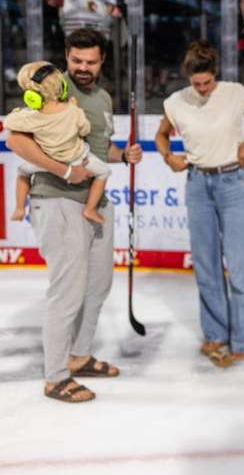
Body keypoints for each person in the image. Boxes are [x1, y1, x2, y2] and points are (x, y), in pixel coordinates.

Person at [5, 28, 143, 402]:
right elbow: (16, 140)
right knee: (66, 292)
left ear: (102, 61)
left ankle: (79, 356)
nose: (83, 67)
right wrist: (64, 171)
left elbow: (100, 148)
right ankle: (55, 377)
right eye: (77, 60)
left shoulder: (101, 97)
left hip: (95, 202)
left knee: (97, 287)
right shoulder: (49, 90)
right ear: (66, 56)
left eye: (91, 61)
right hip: (57, 200)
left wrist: (122, 155)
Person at [155, 40, 244, 367]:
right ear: (188, 78)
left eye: (207, 82)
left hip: (231, 180)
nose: (202, 88)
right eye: (196, 83)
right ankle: (215, 334)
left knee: (238, 262)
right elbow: (162, 135)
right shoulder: (176, 101)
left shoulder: (234, 92)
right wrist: (167, 156)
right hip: (197, 182)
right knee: (205, 263)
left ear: (215, 74)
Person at [8, 61, 111, 224]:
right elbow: (85, 130)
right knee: (104, 172)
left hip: (49, 160)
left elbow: (9, 123)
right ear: (61, 87)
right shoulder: (73, 110)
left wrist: (18, 112)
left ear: (31, 97)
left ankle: (20, 208)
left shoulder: (31, 117)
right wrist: (75, 108)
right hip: (78, 158)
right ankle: (90, 209)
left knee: (22, 172)